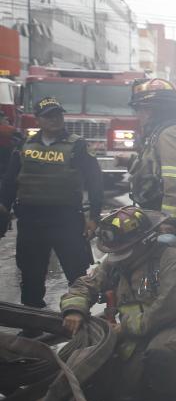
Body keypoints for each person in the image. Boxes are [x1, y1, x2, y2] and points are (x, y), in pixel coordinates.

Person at [60, 205, 176, 401]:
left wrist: (124, 329)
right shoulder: (115, 262)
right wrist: (75, 309)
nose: (119, 256)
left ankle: (166, 392)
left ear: (145, 241)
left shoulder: (169, 257)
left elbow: (170, 307)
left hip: (174, 329)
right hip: (132, 334)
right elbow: (86, 284)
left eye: (123, 250)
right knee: (106, 380)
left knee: (162, 356)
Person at [0, 97, 102, 308]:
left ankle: (80, 317)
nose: (55, 119)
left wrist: (94, 218)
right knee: (31, 275)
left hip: (67, 220)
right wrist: (3, 208)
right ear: (37, 119)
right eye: (48, 116)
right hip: (31, 221)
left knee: (77, 274)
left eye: (58, 115)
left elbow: (95, 182)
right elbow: (10, 181)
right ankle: (31, 320)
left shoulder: (78, 146)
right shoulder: (25, 145)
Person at [128, 78, 176, 233]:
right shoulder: (162, 131)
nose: (138, 115)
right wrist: (129, 161)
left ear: (150, 110)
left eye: (139, 110)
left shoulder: (171, 134)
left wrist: (168, 220)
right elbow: (154, 165)